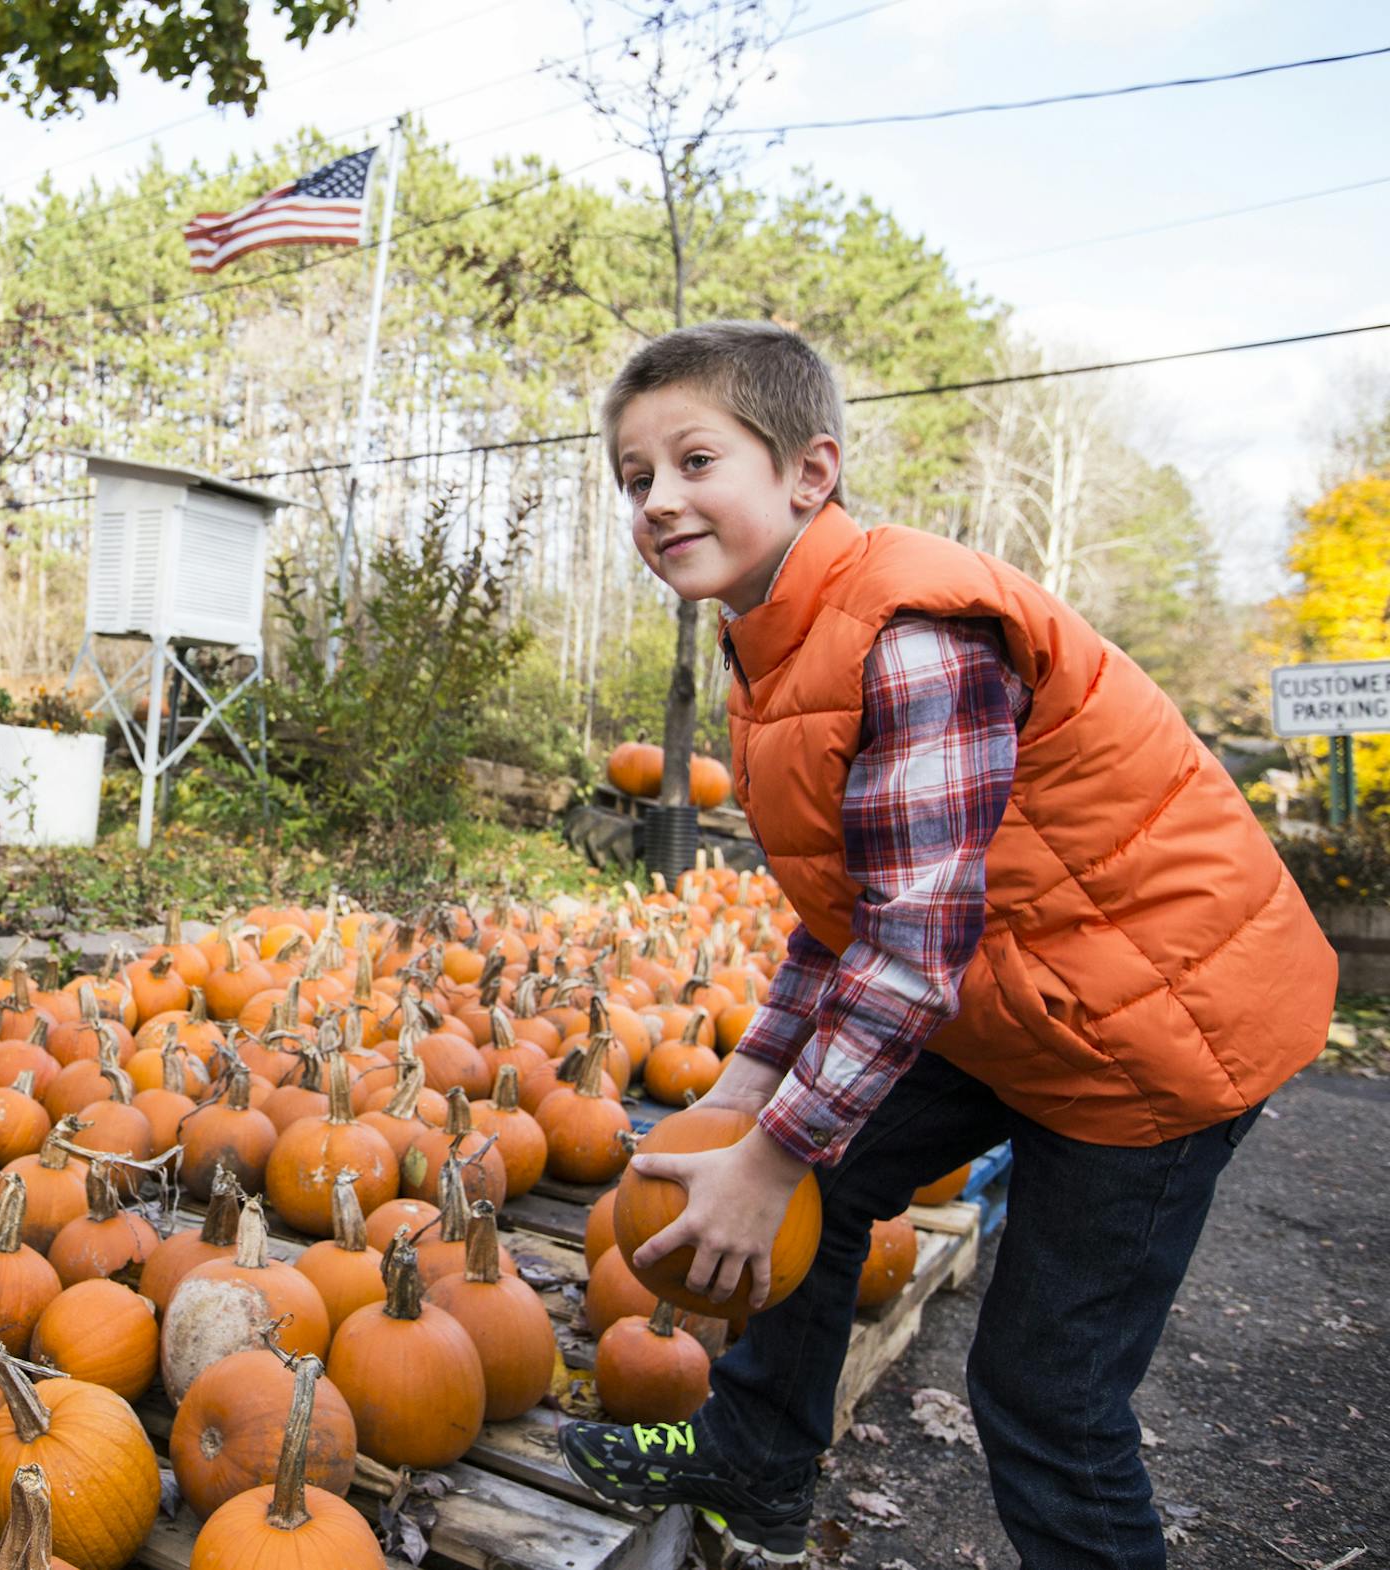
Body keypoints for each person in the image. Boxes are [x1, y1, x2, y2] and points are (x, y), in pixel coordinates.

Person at [557, 321, 1336, 1569]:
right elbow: (850, 907)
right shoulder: (776, 645)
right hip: (1026, 990)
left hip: (1153, 1031)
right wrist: (756, 1088)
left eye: (696, 460)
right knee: (823, 1166)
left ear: (811, 473)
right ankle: (759, 1459)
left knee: (1047, 1399)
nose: (660, 499)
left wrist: (769, 1157)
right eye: (635, 478)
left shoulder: (912, 633)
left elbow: (911, 952)